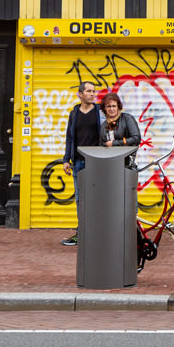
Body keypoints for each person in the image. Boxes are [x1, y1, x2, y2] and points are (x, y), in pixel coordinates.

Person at [60, 82, 104, 246]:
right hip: (79, 161)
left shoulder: (100, 112)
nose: (93, 94)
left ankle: (99, 232)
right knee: (81, 199)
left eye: (94, 91)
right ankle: (82, 232)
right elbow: (70, 138)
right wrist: (66, 160)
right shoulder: (75, 113)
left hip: (98, 162)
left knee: (99, 197)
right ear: (80, 94)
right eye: (89, 91)